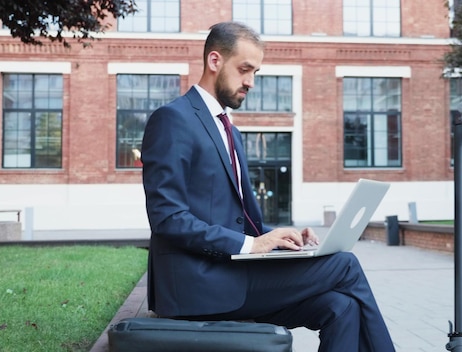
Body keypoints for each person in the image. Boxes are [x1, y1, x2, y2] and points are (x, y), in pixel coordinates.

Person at [141, 21, 395, 352]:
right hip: (198, 286)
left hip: (232, 276)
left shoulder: (230, 131)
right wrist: (252, 245)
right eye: (245, 69)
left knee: (341, 306)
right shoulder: (173, 119)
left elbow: (247, 223)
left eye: (256, 72)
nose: (251, 82)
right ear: (214, 61)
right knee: (345, 265)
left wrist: (283, 238)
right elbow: (167, 218)